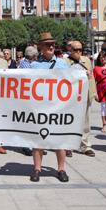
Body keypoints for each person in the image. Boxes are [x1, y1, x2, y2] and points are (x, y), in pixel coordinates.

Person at [29, 32, 70, 182]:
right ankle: (37, 169)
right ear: (40, 47)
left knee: (59, 140)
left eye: (52, 44)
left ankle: (61, 169)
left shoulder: (62, 64)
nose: (51, 46)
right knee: (38, 140)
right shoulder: (34, 65)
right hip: (40, 107)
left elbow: (71, 82)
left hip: (57, 107)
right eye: (47, 44)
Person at [65, 40, 97, 157]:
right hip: (71, 97)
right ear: (70, 50)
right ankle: (68, 146)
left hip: (85, 95)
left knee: (86, 123)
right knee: (70, 122)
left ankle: (85, 146)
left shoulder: (87, 60)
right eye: (76, 50)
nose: (79, 52)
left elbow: (92, 77)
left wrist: (94, 92)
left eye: (80, 50)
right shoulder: (65, 62)